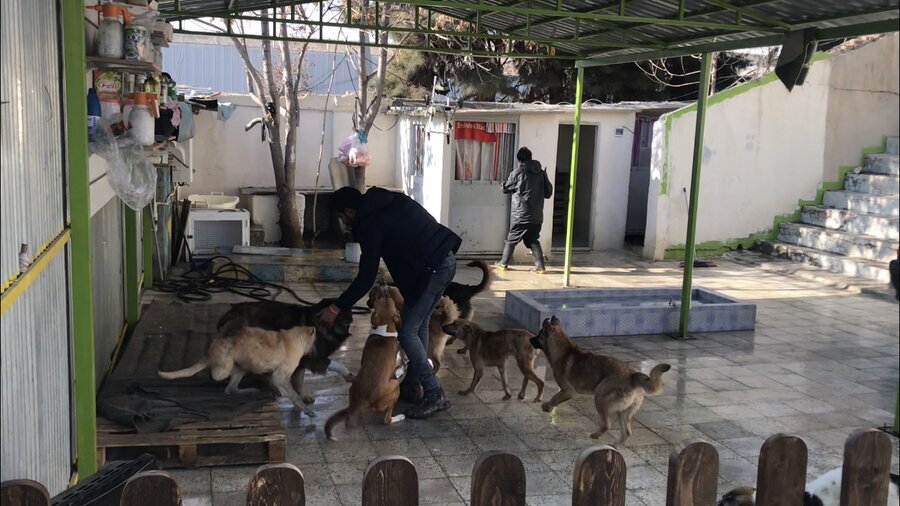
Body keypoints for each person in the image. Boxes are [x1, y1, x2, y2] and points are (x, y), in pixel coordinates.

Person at [319, 186, 462, 418]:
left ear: (348, 210)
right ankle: (414, 385)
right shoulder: (388, 201)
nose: (343, 221)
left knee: (407, 332)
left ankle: (435, 393)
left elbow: (366, 277)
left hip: (432, 268)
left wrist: (336, 307)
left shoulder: (369, 222)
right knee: (419, 326)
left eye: (341, 216)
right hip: (444, 258)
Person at [495, 147, 553, 272]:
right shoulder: (541, 173)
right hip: (537, 215)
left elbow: (506, 189)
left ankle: (503, 263)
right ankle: (540, 267)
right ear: (530, 157)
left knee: (511, 240)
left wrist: (503, 184)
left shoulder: (517, 173)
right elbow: (548, 193)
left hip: (521, 215)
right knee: (533, 240)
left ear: (519, 159)